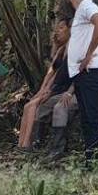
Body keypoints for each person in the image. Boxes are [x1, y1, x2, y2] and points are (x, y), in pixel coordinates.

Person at [64, 0, 98, 164]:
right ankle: (92, 158)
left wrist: (88, 54)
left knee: (94, 117)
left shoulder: (86, 6)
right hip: (82, 73)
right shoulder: (82, 10)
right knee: (87, 118)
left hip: (90, 70)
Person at [17, 17, 72, 154]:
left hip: (62, 88)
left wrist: (49, 91)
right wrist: (42, 90)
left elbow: (63, 75)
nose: (57, 31)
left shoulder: (74, 49)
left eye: (60, 28)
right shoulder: (61, 50)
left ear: (71, 29)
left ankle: (27, 145)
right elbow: (51, 71)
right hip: (53, 88)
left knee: (33, 107)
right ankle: (21, 144)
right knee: (28, 105)